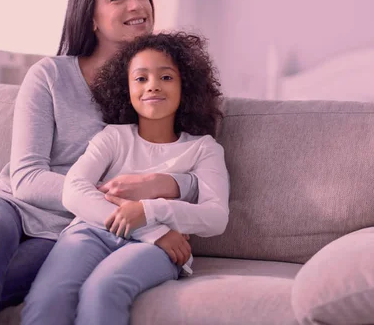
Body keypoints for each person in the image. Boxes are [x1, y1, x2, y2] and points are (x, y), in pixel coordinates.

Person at [0, 0, 198, 325]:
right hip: (7, 205)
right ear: (91, 16)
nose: (136, 5)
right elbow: (28, 178)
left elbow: (192, 167)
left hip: (71, 231)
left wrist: (168, 183)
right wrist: (110, 197)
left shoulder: (159, 87)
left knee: (9, 280)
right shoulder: (49, 75)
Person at [21, 32, 230, 325]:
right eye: (141, 78)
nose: (153, 85)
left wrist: (147, 211)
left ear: (186, 86)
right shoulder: (113, 137)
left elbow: (215, 217)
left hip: (156, 250)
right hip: (95, 232)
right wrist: (151, 229)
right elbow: (74, 190)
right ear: (126, 88)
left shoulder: (203, 149)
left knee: (103, 289)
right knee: (49, 296)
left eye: (166, 77)